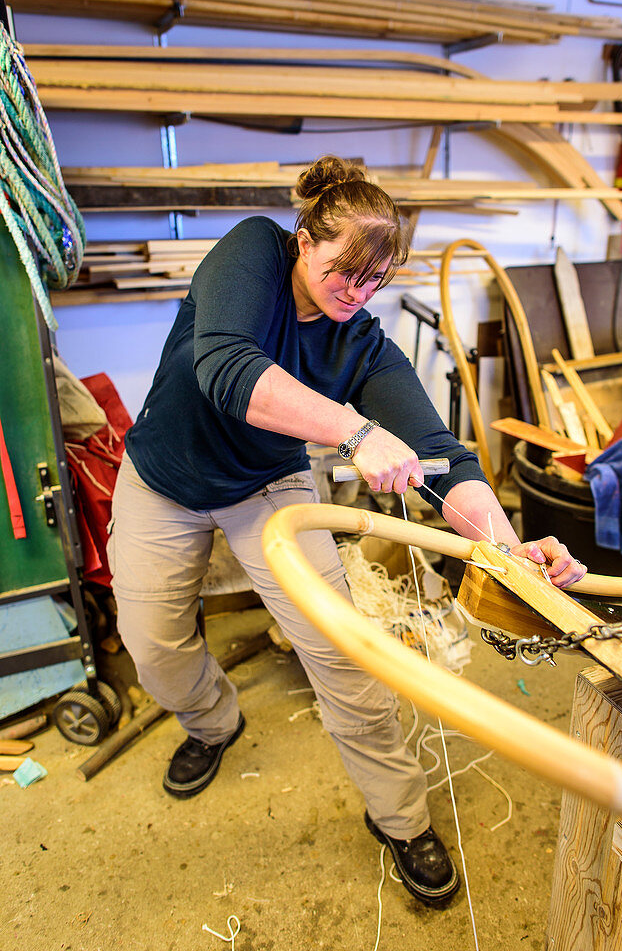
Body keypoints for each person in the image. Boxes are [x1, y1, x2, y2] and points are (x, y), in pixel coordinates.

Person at [109, 154, 586, 907]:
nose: (353, 293)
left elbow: (445, 459)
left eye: (372, 282)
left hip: (268, 487)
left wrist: (507, 549)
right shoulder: (254, 251)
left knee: (344, 653)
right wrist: (356, 433)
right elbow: (228, 370)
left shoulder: (362, 346)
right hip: (163, 478)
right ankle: (211, 719)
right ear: (304, 240)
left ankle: (400, 819)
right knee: (154, 649)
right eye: (342, 270)